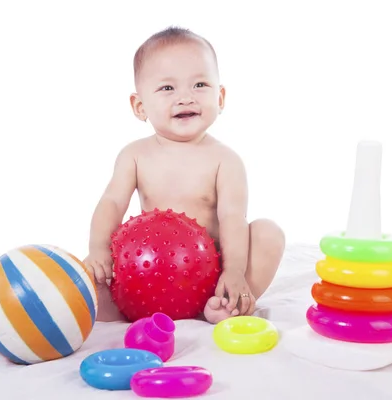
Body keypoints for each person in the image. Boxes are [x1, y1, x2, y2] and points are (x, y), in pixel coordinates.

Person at [83, 26, 285, 324]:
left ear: (220, 97)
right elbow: (112, 203)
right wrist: (97, 250)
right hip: (146, 275)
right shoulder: (134, 155)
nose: (186, 98)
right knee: (86, 281)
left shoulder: (225, 160)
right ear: (140, 106)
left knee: (269, 233)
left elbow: (233, 218)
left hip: (206, 279)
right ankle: (120, 309)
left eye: (200, 84)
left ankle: (225, 303)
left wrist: (234, 271)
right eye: (168, 88)